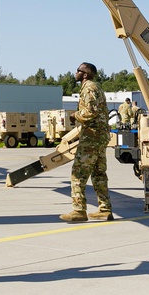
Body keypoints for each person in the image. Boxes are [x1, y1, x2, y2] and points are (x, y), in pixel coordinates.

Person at [61, 62, 113, 223]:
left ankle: (79, 210)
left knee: (78, 173)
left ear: (85, 74)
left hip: (92, 137)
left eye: (78, 70)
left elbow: (90, 112)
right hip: (100, 136)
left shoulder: (89, 88)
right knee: (98, 174)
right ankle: (105, 209)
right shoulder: (95, 87)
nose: (75, 72)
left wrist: (74, 116)